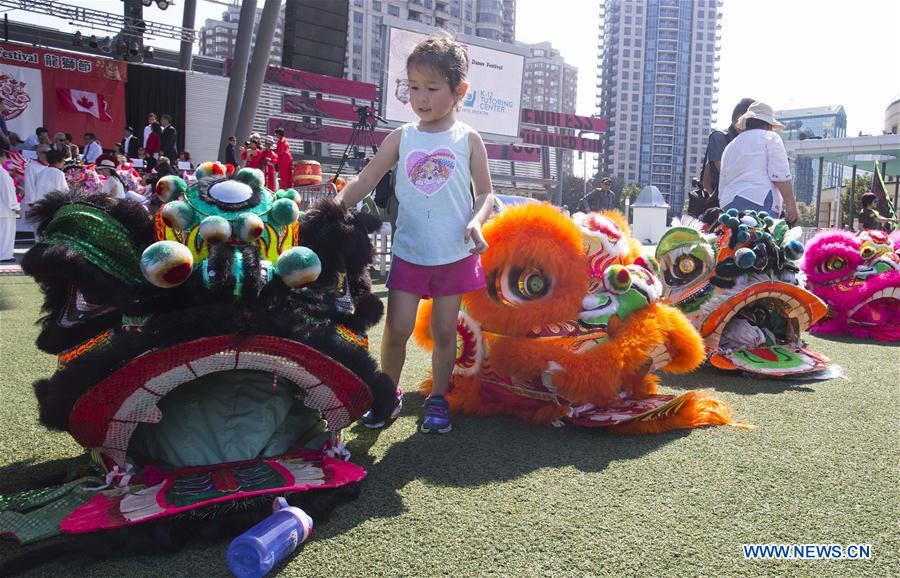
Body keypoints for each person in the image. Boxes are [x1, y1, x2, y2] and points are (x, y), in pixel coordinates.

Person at [335, 34, 494, 434]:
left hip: (454, 253)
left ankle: (438, 399)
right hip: (409, 251)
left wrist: (476, 221)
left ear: (460, 91)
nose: (421, 97)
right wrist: (333, 209)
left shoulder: (468, 139)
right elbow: (367, 179)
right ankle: (387, 395)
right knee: (397, 329)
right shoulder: (402, 136)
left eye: (432, 88)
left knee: (444, 331)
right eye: (414, 87)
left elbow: (486, 193)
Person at [719, 101, 799, 225]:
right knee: (760, 235)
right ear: (768, 124)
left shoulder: (731, 145)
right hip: (759, 199)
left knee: (735, 237)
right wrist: (791, 204)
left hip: (729, 204)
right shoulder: (771, 137)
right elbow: (779, 175)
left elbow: (723, 182)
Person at [702, 97, 755, 197]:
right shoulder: (719, 137)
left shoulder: (752, 141)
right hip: (721, 196)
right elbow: (723, 171)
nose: (743, 125)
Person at [0, 149, 19, 262]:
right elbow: (7, 192)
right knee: (5, 234)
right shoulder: (2, 173)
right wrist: (15, 206)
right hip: (5, 209)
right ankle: (4, 255)